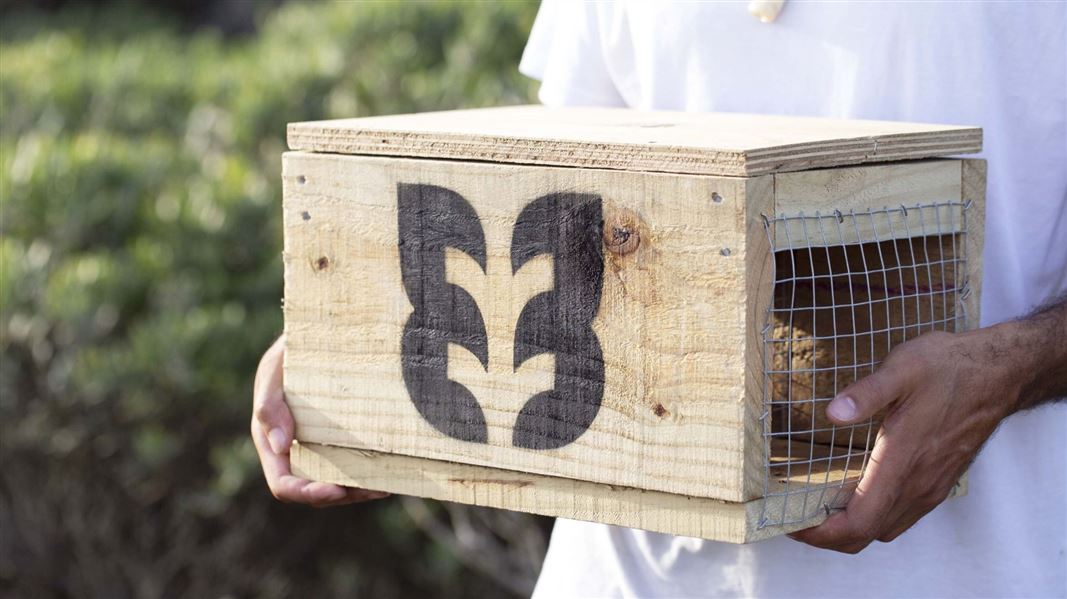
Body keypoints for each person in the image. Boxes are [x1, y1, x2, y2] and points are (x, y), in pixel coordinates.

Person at [252, 2, 1067, 596]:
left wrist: (1006, 367)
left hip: (985, 567)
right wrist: (358, 331)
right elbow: (553, 196)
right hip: (624, 572)